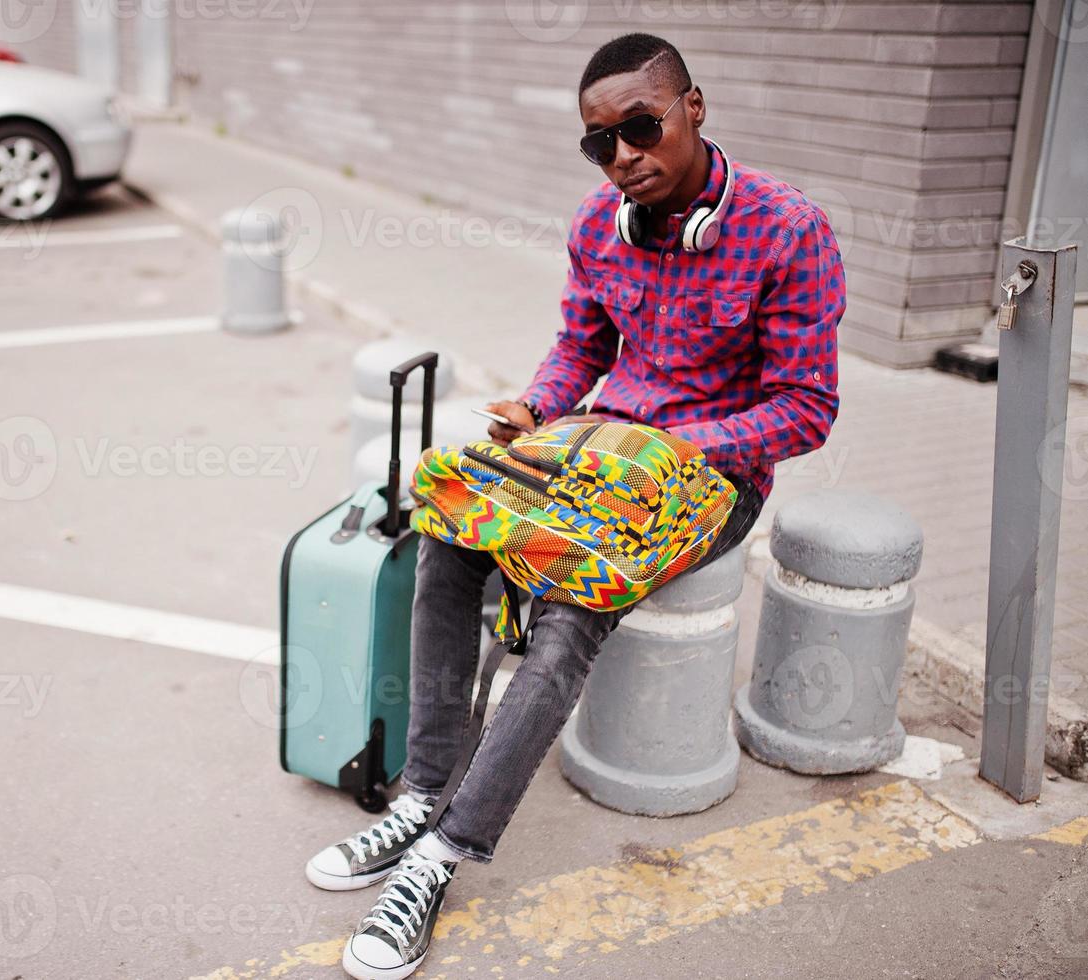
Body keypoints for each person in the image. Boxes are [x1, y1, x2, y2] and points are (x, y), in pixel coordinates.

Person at [305, 32, 846, 980]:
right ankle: (422, 794)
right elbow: (579, 351)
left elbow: (805, 410)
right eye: (601, 144)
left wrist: (678, 449)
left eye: (642, 129)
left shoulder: (789, 230)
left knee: (567, 610)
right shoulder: (598, 224)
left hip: (712, 477)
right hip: (594, 447)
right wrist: (535, 405)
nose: (624, 158)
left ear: (694, 109)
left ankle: (442, 857)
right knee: (449, 533)